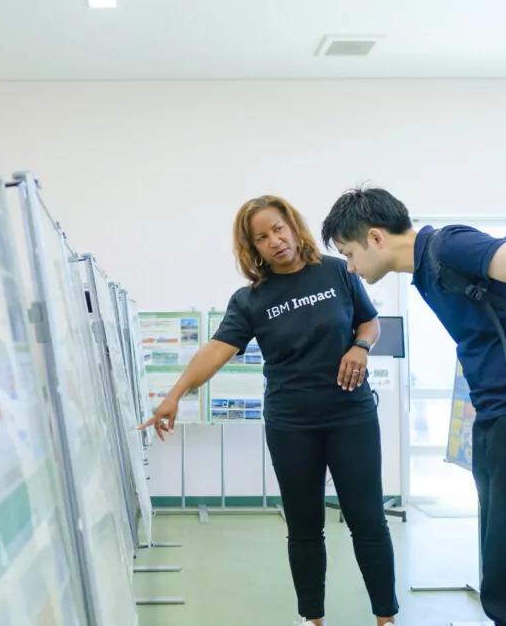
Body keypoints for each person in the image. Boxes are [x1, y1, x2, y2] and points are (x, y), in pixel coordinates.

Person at [321, 187, 506, 626]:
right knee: (504, 573)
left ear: (375, 238)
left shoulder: (450, 245)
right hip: (502, 422)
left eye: (349, 253)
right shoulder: (428, 270)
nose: (349, 267)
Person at [139, 195, 398, 626]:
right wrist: (174, 394)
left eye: (278, 228)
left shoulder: (337, 272)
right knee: (303, 525)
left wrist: (359, 346)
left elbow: (368, 322)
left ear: (293, 226)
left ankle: (386, 618)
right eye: (262, 237)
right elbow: (216, 350)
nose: (275, 240)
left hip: (350, 414)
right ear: (252, 248)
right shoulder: (251, 299)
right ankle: (311, 619)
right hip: (291, 423)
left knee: (367, 518)